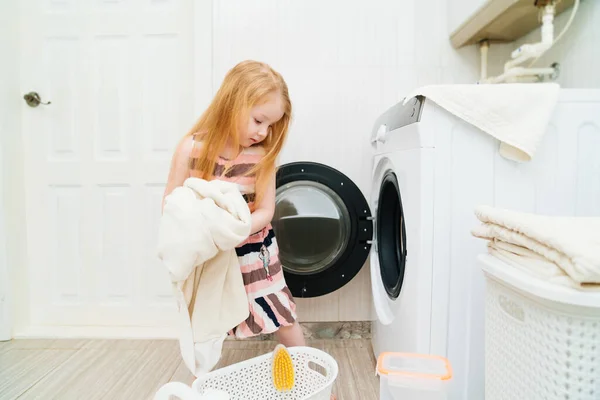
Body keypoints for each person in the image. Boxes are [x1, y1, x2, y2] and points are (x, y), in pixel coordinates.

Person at [162, 60, 305, 348]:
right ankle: (197, 386)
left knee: (283, 315)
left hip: (255, 254)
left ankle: (313, 386)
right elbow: (172, 203)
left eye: (271, 125)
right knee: (205, 324)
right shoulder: (191, 148)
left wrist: (238, 228)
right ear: (233, 104)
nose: (264, 132)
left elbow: (266, 210)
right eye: (259, 120)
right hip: (211, 254)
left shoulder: (260, 157)